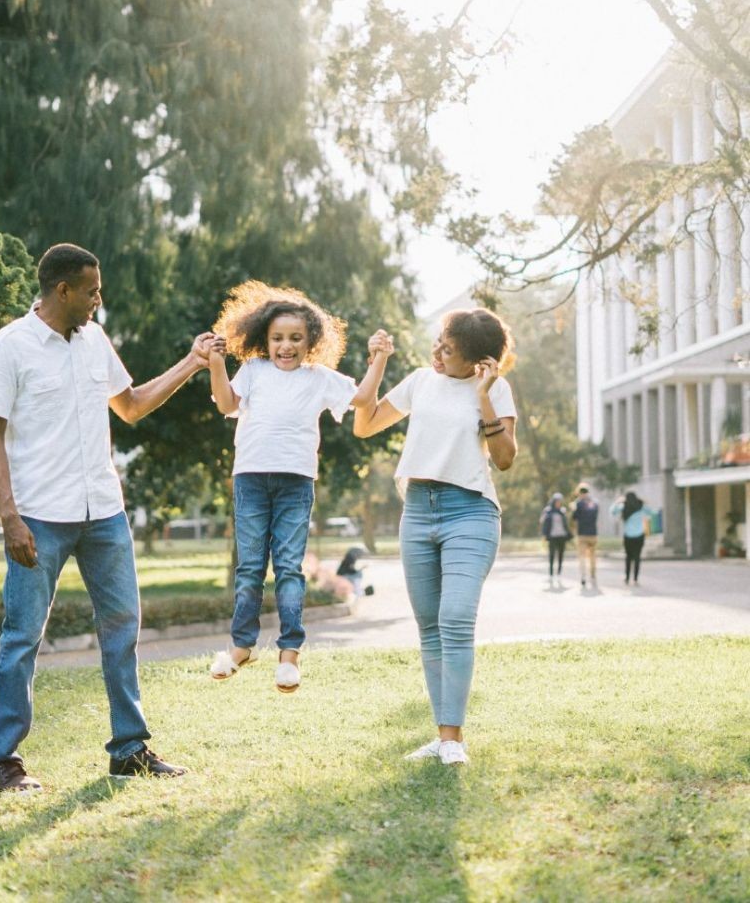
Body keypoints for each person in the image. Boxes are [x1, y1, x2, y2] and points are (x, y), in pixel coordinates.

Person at [0, 243, 215, 791]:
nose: (98, 299)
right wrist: (9, 517)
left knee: (122, 628)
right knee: (22, 636)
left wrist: (191, 362)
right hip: (39, 515)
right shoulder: (11, 346)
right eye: (91, 290)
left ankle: (128, 750)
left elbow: (129, 405)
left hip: (104, 512)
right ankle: (3, 760)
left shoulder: (95, 340)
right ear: (62, 290)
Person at [206, 280, 393, 693]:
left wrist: (378, 358)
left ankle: (289, 654)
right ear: (264, 340)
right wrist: (216, 364)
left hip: (295, 482)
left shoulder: (319, 378)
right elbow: (226, 404)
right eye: (277, 338)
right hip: (251, 479)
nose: (285, 346)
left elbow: (362, 398)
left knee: (289, 567)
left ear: (311, 342)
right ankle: (241, 646)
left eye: (295, 338)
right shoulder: (253, 371)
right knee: (251, 567)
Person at [353, 308, 517, 766]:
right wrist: (378, 363)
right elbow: (363, 425)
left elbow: (504, 459)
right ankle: (444, 737)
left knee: (456, 617)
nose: (439, 353)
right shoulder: (422, 380)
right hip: (418, 512)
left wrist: (483, 396)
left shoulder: (496, 388)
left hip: (471, 511)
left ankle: (453, 740)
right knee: (430, 629)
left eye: (450, 350)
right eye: (440, 343)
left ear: (479, 362)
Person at [610, 491, 654, 585]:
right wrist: (645, 502)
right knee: (637, 557)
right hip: (639, 535)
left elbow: (612, 511)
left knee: (628, 557)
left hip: (628, 536)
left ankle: (627, 578)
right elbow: (651, 512)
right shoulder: (641, 506)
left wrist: (617, 502)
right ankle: (635, 579)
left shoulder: (623, 507)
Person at [571, 483, 600, 589]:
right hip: (593, 533)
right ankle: (593, 575)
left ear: (579, 493)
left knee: (582, 556)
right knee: (592, 556)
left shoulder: (578, 504)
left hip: (582, 534)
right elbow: (595, 516)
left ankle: (583, 575)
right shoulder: (595, 503)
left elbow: (574, 518)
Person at [540, 492, 572, 581]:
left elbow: (566, 524)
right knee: (552, 555)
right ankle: (550, 573)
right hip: (552, 536)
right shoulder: (548, 510)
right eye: (557, 501)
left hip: (562, 536)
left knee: (561, 555)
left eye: (560, 501)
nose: (558, 503)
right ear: (553, 501)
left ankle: (559, 573)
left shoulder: (563, 511)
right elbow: (542, 521)